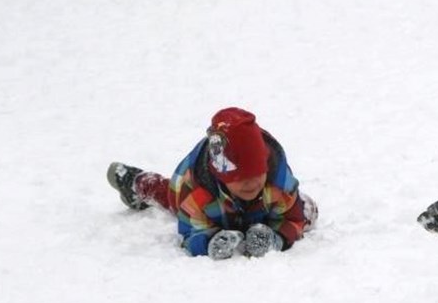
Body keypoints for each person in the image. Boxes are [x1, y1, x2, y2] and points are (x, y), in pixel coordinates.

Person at [106, 107, 317, 259]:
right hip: (207, 204)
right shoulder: (195, 193)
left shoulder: (279, 184)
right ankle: (136, 183)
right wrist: (209, 242)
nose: (251, 183)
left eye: (257, 173)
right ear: (221, 175)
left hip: (262, 208)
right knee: (170, 197)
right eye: (240, 178)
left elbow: (294, 219)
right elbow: (190, 233)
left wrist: (277, 238)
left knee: (306, 210)